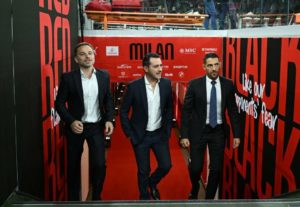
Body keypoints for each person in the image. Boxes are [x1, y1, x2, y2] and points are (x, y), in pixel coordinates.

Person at [55, 42, 114, 201]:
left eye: (90, 53)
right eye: (82, 54)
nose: (87, 56)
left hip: (96, 126)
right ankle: (74, 200)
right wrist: (71, 121)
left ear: (94, 56)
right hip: (76, 128)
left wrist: (109, 119)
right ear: (76, 59)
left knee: (100, 164)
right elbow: (59, 103)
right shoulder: (68, 78)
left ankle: (96, 197)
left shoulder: (104, 75)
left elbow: (108, 99)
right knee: (73, 166)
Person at [180, 53, 241, 199]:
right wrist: (184, 135)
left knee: (216, 169)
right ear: (204, 67)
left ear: (219, 64)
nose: (214, 68)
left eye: (216, 64)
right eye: (210, 65)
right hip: (198, 131)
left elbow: (233, 110)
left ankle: (209, 201)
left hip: (218, 132)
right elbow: (186, 111)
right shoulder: (194, 84)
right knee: (196, 168)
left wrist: (237, 134)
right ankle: (195, 186)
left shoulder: (228, 84)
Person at [120, 53, 173, 200]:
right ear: (145, 68)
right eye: (156, 66)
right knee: (143, 170)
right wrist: (130, 133)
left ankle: (152, 182)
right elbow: (123, 111)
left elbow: (169, 108)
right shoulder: (134, 87)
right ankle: (144, 198)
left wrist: (167, 130)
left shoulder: (166, 84)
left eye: (161, 65)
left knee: (166, 166)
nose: (160, 69)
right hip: (140, 136)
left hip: (159, 135)